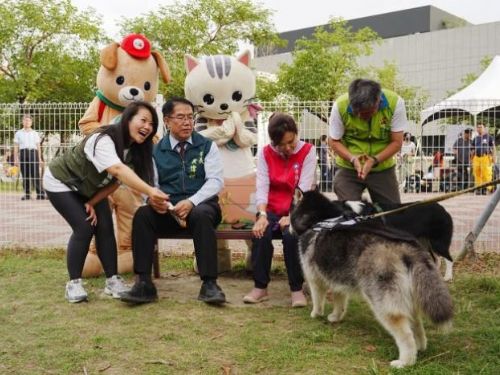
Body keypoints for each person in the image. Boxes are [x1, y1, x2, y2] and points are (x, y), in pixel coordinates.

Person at [43, 101, 168, 303]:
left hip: (91, 189)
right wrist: (151, 192)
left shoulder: (135, 149)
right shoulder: (103, 139)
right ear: (128, 119)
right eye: (143, 120)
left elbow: (115, 181)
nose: (147, 127)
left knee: (105, 227)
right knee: (84, 228)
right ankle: (73, 284)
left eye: (152, 124)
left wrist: (92, 202)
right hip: (61, 182)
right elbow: (118, 170)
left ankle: (112, 281)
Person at [120, 97, 227, 305]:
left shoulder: (207, 146)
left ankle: (209, 285)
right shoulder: (154, 150)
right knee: (142, 215)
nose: (187, 122)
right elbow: (150, 184)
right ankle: (143, 283)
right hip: (167, 209)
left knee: (201, 214)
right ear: (167, 121)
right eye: (181, 117)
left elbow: (215, 181)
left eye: (190, 117)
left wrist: (192, 202)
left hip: (201, 206)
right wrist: (154, 200)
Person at [243, 112, 317, 307]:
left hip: (298, 208)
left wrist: (292, 216)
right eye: (281, 144)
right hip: (271, 207)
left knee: (291, 235)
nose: (287, 148)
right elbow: (262, 185)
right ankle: (260, 287)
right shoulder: (265, 153)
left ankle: (296, 288)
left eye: (290, 142)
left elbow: (305, 188)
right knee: (260, 233)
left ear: (296, 133)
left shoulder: (309, 151)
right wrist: (262, 215)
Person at [328, 79, 407, 203]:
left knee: (392, 213)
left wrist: (374, 160)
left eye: (366, 113)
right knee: (350, 211)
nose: (360, 117)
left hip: (382, 167)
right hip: (348, 167)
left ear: (378, 102)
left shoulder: (395, 103)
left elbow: (396, 142)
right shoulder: (340, 105)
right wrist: (353, 159)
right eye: (356, 112)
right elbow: (334, 141)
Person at [13, 114, 45, 200]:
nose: (27, 122)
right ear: (22, 122)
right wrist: (16, 159)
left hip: (33, 153)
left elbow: (38, 147)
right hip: (23, 153)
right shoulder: (18, 133)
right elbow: (16, 147)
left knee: (35, 174)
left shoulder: (35, 133)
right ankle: (27, 194)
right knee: (25, 174)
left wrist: (40, 159)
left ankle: (40, 194)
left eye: (28, 120)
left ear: (31, 122)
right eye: (25, 120)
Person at [471, 123, 496, 194]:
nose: (479, 129)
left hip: (486, 157)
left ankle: (487, 189)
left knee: (486, 173)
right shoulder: (475, 138)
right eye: (478, 127)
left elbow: (493, 148)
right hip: (476, 158)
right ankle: (479, 188)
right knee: (476, 173)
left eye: (481, 127)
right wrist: (471, 158)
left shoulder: (489, 137)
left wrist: (494, 157)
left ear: (484, 128)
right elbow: (472, 149)